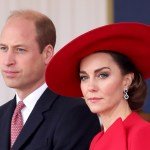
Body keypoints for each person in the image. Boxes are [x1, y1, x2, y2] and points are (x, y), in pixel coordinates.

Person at [0, 10, 100, 150]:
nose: (7, 61)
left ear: (47, 54)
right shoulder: (2, 115)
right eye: (3, 48)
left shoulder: (75, 114)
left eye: (20, 50)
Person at [46, 22, 150, 150]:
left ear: (127, 81)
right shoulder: (97, 139)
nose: (91, 87)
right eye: (84, 77)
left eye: (102, 75)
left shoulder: (143, 133)